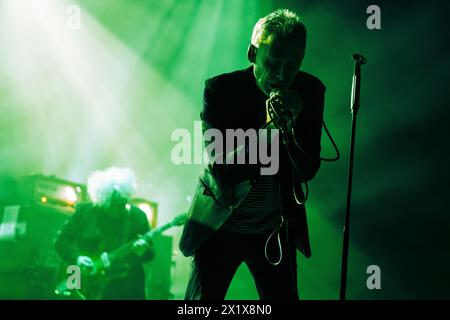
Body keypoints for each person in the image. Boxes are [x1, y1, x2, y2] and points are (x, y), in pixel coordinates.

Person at [179, 9, 325, 300]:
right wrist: (271, 130)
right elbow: (222, 170)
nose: (283, 75)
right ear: (252, 53)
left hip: (274, 226)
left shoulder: (310, 90)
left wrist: (292, 128)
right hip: (221, 224)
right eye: (273, 62)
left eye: (292, 64)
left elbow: (307, 170)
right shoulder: (220, 90)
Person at [54, 167, 155, 300]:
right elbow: (61, 241)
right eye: (114, 204)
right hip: (85, 286)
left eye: (123, 202)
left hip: (126, 289)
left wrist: (144, 251)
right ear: (102, 200)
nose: (119, 208)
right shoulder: (85, 212)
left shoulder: (137, 216)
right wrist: (77, 258)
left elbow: (150, 253)